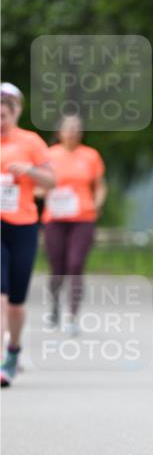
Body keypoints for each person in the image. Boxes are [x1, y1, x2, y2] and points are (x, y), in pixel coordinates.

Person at [1, 82, 55, 387]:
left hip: (22, 226)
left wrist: (29, 171)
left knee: (16, 303)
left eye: (3, 116)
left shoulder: (30, 142)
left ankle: (13, 350)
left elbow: (51, 181)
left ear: (14, 114)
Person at [42, 112, 107, 335]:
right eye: (69, 127)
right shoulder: (48, 155)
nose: (73, 132)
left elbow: (100, 186)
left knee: (75, 265)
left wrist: (97, 204)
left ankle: (72, 316)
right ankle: (54, 306)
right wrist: (43, 192)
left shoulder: (91, 156)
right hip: (55, 218)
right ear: (59, 131)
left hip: (83, 217)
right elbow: (37, 186)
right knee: (57, 268)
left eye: (77, 128)